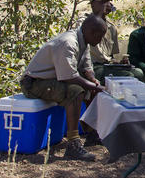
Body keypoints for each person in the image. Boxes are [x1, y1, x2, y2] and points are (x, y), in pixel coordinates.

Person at [19, 14, 107, 161]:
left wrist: (94, 81)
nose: (100, 40)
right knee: (76, 91)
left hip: (52, 81)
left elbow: (86, 66)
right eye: (100, 36)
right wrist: (93, 86)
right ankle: (73, 144)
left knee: (91, 88)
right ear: (92, 32)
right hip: (34, 83)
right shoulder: (68, 42)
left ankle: (92, 132)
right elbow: (69, 76)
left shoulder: (83, 41)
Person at [83, 0, 142, 84]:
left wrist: (119, 63)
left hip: (106, 66)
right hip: (91, 66)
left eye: (109, 1)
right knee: (128, 77)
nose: (108, 4)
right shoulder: (84, 23)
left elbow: (111, 56)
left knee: (139, 74)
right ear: (93, 5)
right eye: (103, 2)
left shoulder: (111, 28)